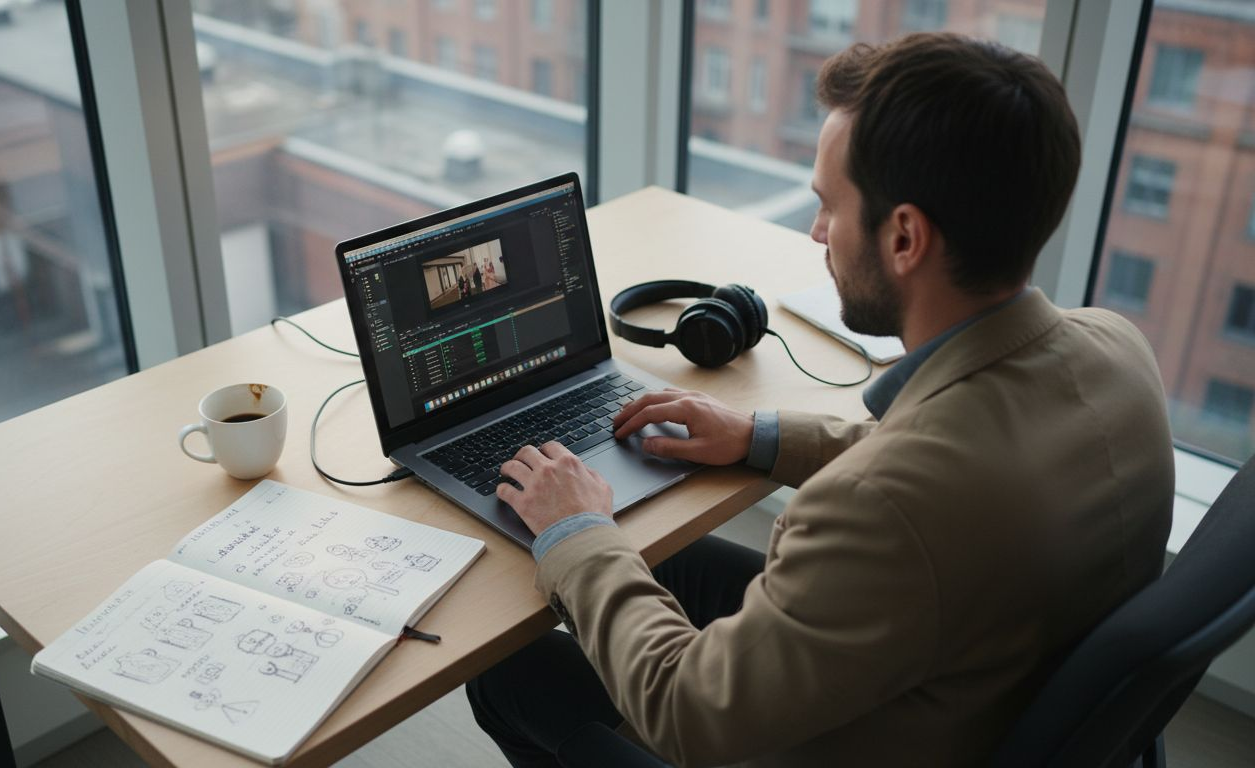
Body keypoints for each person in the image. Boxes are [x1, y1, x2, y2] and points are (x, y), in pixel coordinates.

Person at [466, 32, 1174, 768]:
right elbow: (958, 453)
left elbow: (688, 715)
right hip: (977, 669)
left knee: (511, 673)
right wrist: (755, 435)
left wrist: (577, 531)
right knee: (666, 558)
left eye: (829, 206)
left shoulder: (880, 510)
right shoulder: (1115, 350)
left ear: (904, 237)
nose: (816, 234)